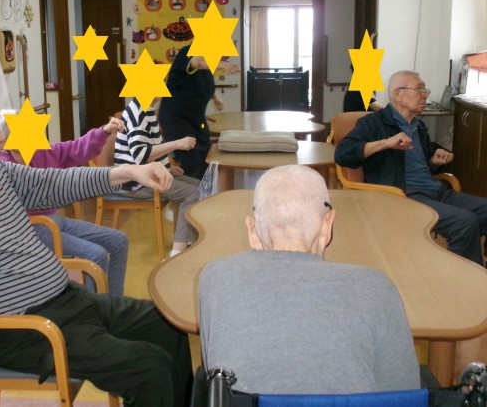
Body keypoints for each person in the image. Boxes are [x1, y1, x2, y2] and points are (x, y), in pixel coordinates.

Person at [0, 84, 193, 407]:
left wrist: (129, 171)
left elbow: (57, 182)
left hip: (69, 302)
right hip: (26, 330)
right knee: (150, 369)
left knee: (169, 325)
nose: (0, 137)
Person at [199, 165, 420, 394]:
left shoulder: (216, 277)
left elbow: (214, 372)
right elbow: (405, 394)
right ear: (328, 225)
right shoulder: (376, 287)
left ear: (252, 230)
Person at [335, 70, 487, 265]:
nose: (425, 95)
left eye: (425, 90)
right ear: (398, 94)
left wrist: (434, 161)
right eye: (419, 89)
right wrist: (386, 143)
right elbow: (343, 154)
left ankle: (467, 266)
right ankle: (456, 275)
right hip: (403, 194)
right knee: (464, 222)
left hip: (434, 190)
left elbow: (420, 168)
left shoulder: (418, 127)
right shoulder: (373, 123)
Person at [0, 111, 128, 296]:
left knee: (119, 240)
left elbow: (77, 148)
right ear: (4, 140)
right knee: (96, 254)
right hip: (30, 227)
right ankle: (94, 308)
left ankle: (115, 301)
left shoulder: (44, 152)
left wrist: (105, 131)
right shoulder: (1, 165)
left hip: (53, 220)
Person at [115, 97, 199, 258]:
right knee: (193, 194)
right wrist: (177, 144)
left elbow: (148, 149)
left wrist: (167, 167)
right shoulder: (138, 113)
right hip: (135, 180)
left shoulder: (145, 108)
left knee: (200, 187)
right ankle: (177, 253)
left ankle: (188, 238)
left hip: (146, 172)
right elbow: (141, 155)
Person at [158, 45, 241, 179]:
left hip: (196, 119)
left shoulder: (207, 68)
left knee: (206, 156)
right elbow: (198, 62)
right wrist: (226, 65)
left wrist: (216, 98)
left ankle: (202, 189)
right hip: (176, 119)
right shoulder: (187, 53)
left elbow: (203, 84)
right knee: (192, 160)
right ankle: (186, 190)